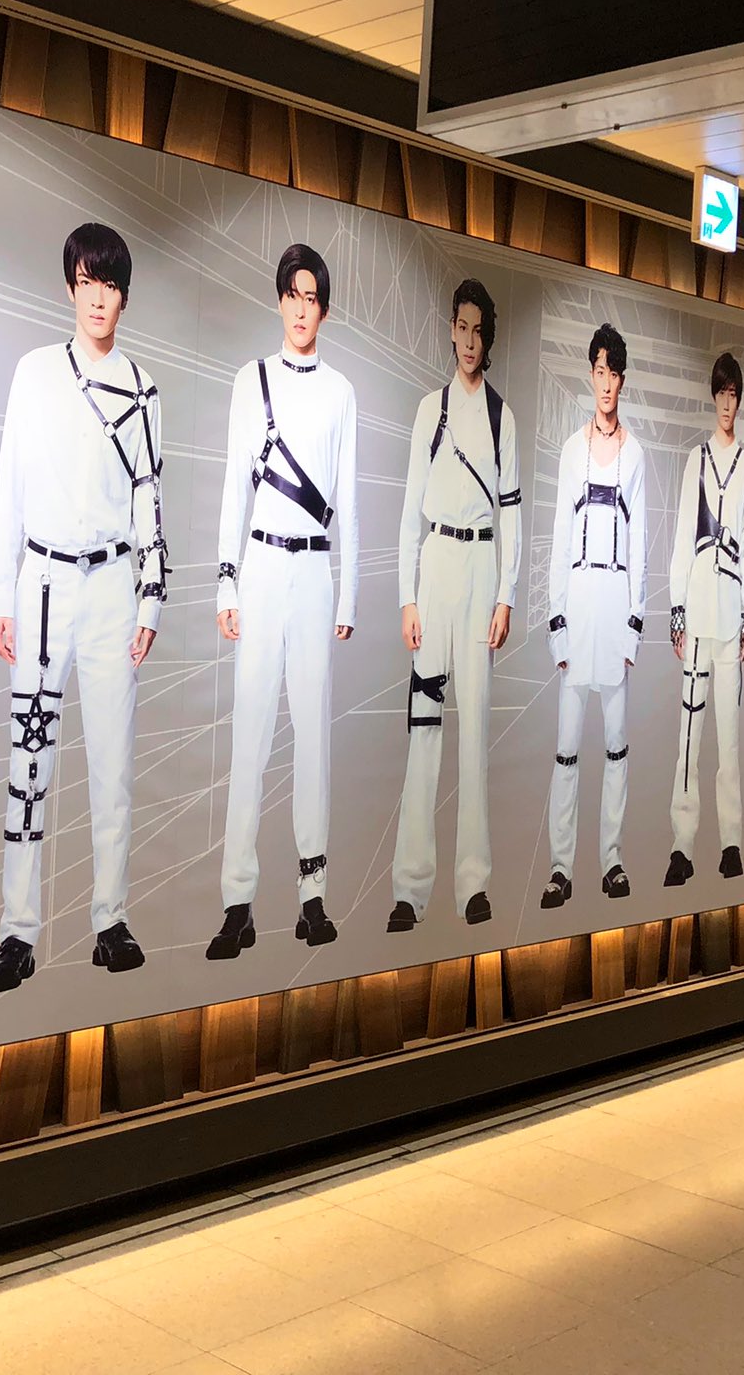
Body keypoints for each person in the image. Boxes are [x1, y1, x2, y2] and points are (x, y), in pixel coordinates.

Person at [0, 223, 167, 993]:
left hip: (113, 587)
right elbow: (10, 486)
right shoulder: (33, 373)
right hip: (44, 585)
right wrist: (3, 594)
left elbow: (150, 495)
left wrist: (151, 599)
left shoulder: (143, 388)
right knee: (29, 760)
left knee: (112, 765)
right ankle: (17, 931)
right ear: (69, 287)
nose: (98, 297)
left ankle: (110, 920)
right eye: (87, 282)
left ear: (124, 296)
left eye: (110, 284)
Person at [208, 244, 358, 959]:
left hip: (315, 571)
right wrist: (226, 579)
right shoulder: (251, 380)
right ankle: (237, 902)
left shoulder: (341, 391)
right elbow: (234, 484)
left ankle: (312, 896)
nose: (302, 309)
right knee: (251, 734)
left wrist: (349, 593)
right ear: (279, 301)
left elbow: (348, 498)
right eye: (293, 295)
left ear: (324, 309)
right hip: (263, 566)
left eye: (312, 297)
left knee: (312, 737)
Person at [388, 279, 521, 930]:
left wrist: (506, 595)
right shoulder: (429, 411)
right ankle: (409, 888)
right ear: (451, 330)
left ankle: (473, 885)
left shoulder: (501, 417)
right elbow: (409, 508)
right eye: (461, 328)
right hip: (436, 564)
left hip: (480, 565)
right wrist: (406, 597)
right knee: (424, 728)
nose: (469, 341)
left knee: (473, 735)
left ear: (487, 338)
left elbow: (513, 512)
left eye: (478, 331)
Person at [545, 323, 645, 907]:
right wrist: (556, 624)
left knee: (615, 746)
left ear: (623, 380)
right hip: (577, 612)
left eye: (614, 373)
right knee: (566, 749)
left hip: (614, 615)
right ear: (592, 375)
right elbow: (559, 540)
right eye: (599, 371)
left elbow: (641, 547)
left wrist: (634, 626)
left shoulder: (635, 454)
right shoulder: (570, 450)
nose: (606, 383)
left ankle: (612, 861)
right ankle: (561, 868)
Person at [665, 352, 744, 886]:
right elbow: (683, 536)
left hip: (730, 615)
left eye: (734, 394)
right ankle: (682, 846)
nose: (727, 403)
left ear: (739, 401)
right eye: (721, 393)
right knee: (688, 735)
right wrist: (676, 608)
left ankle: (731, 844)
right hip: (698, 612)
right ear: (713, 397)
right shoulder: (696, 461)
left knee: (729, 738)